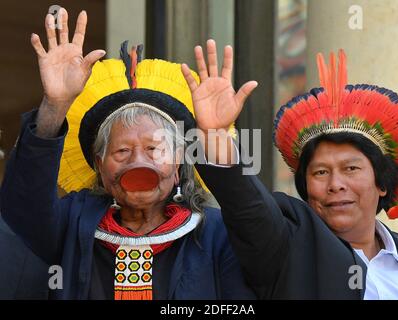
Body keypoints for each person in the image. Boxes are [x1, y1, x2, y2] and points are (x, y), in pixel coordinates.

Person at [0, 8, 254, 300]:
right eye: (121, 151)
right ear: (99, 165)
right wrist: (54, 106)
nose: (138, 161)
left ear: (177, 165)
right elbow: (23, 209)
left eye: (153, 148)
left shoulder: (217, 235)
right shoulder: (70, 224)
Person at [182, 40, 398, 299]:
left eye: (350, 168)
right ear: (305, 187)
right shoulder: (287, 246)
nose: (336, 184)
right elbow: (246, 204)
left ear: (382, 183)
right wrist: (214, 135)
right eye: (320, 172)